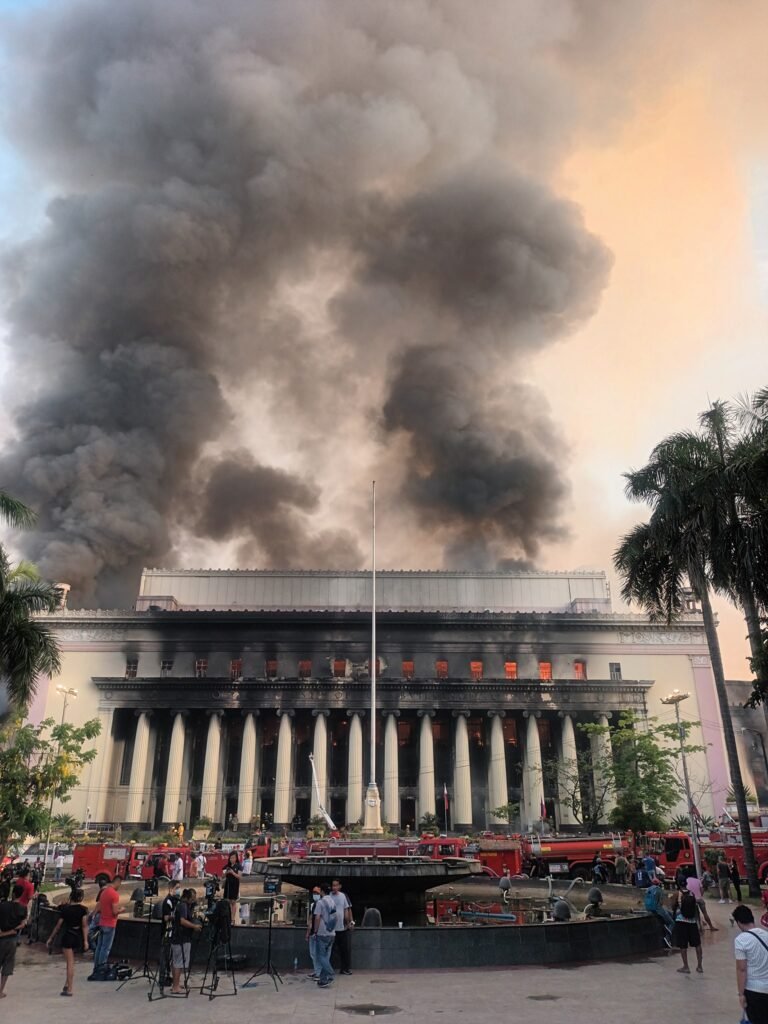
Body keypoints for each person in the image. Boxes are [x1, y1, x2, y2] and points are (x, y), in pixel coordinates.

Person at [46, 887, 89, 996]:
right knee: (72, 962)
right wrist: (86, 941)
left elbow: (58, 926)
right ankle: (67, 984)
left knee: (69, 963)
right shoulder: (83, 910)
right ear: (81, 898)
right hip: (77, 936)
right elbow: (84, 926)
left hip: (68, 936)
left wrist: (51, 938)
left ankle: (69, 988)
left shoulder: (65, 910)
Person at [733, 904, 768, 1023]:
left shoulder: (741, 941)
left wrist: (741, 994)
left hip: (753, 990)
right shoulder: (766, 935)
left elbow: (741, 969)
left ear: (739, 922)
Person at [170, 889, 203, 995]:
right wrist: (194, 926)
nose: (193, 901)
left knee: (176, 962)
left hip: (177, 937)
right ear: (187, 898)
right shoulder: (183, 906)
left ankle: (176, 984)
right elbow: (182, 921)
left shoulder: (181, 905)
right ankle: (175, 987)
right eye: (192, 899)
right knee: (179, 963)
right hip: (181, 938)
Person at [91, 876, 123, 974]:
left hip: (102, 922)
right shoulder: (114, 894)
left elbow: (100, 905)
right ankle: (102, 968)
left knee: (99, 947)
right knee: (106, 948)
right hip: (110, 924)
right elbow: (114, 911)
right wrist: (121, 910)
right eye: (120, 884)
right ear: (117, 882)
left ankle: (96, 967)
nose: (119, 886)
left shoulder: (104, 892)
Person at [0, 885, 27, 999]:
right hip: (12, 939)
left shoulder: (2, 906)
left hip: (1, 936)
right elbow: (23, 924)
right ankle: (0, 991)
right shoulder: (22, 908)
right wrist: (13, 930)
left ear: (13, 893)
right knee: (7, 965)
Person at [671, 886, 703, 975]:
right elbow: (696, 910)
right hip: (692, 922)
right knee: (697, 944)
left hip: (681, 921)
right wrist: (699, 923)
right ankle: (699, 966)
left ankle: (686, 966)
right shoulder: (692, 894)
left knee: (683, 945)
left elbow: (673, 906)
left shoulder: (677, 894)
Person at [312, 884, 337, 988]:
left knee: (321, 956)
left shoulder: (320, 903)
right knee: (326, 957)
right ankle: (323, 980)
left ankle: (330, 973)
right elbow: (336, 917)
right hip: (332, 933)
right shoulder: (332, 902)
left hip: (322, 933)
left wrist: (315, 931)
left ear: (322, 891)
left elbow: (317, 918)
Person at [330, 879, 354, 975]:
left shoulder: (343, 896)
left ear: (340, 886)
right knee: (330, 950)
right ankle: (328, 969)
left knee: (344, 950)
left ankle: (344, 969)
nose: (334, 887)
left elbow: (347, 909)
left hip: (342, 928)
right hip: (331, 928)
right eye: (333, 885)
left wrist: (349, 922)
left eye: (336, 885)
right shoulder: (329, 896)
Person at [306, 886, 323, 980]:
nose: (315, 895)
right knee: (313, 953)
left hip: (319, 933)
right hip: (313, 932)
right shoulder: (313, 905)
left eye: (317, 893)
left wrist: (316, 931)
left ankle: (319, 973)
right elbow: (310, 919)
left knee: (318, 953)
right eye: (314, 893)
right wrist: (308, 932)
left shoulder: (322, 904)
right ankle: (316, 971)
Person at [222, 851, 242, 926]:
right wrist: (226, 873)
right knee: (227, 902)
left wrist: (233, 872)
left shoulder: (238, 866)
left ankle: (233, 919)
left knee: (233, 901)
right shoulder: (227, 866)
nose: (232, 859)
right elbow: (223, 876)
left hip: (235, 885)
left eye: (233, 858)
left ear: (236, 858)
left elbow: (239, 877)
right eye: (230, 858)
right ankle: (228, 918)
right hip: (228, 884)